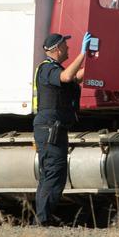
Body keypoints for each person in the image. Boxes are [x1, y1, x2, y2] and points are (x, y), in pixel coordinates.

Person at [33, 31, 88, 226]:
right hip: (50, 129)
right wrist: (82, 55)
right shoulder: (48, 69)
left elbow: (75, 77)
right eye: (66, 45)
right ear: (57, 49)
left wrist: (90, 59)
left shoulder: (55, 68)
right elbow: (66, 77)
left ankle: (43, 217)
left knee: (53, 172)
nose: (69, 48)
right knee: (53, 171)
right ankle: (43, 219)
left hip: (54, 128)